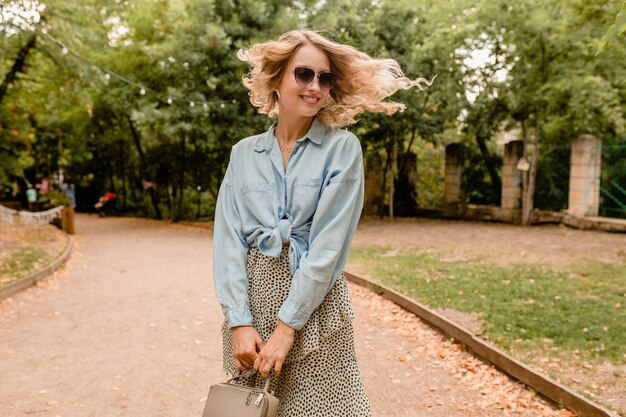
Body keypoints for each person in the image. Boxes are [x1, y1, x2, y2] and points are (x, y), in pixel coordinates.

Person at [213, 30, 433, 417]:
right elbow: (228, 242)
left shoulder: (343, 149)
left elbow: (328, 248)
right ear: (277, 78)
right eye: (303, 74)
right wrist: (238, 321)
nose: (315, 86)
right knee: (252, 411)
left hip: (317, 309)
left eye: (324, 78)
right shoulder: (243, 154)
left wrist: (287, 328)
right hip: (253, 308)